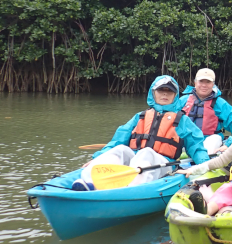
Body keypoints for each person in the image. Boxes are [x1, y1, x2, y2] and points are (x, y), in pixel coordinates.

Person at [73, 75, 210, 190]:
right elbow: (117, 141)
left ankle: (132, 188)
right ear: (153, 93)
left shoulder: (183, 121)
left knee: (147, 152)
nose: (164, 94)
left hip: (164, 165)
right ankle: (88, 180)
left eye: (169, 92)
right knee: (121, 149)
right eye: (161, 91)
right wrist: (98, 157)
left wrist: (205, 167)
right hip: (136, 161)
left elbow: (197, 148)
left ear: (175, 95)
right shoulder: (140, 116)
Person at [176, 68, 232, 155]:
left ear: (213, 84)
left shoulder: (220, 104)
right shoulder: (183, 101)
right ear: (195, 83)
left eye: (208, 82)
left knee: (213, 141)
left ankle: (205, 162)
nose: (204, 85)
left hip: (210, 139)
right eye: (201, 81)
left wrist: (229, 143)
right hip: (186, 140)